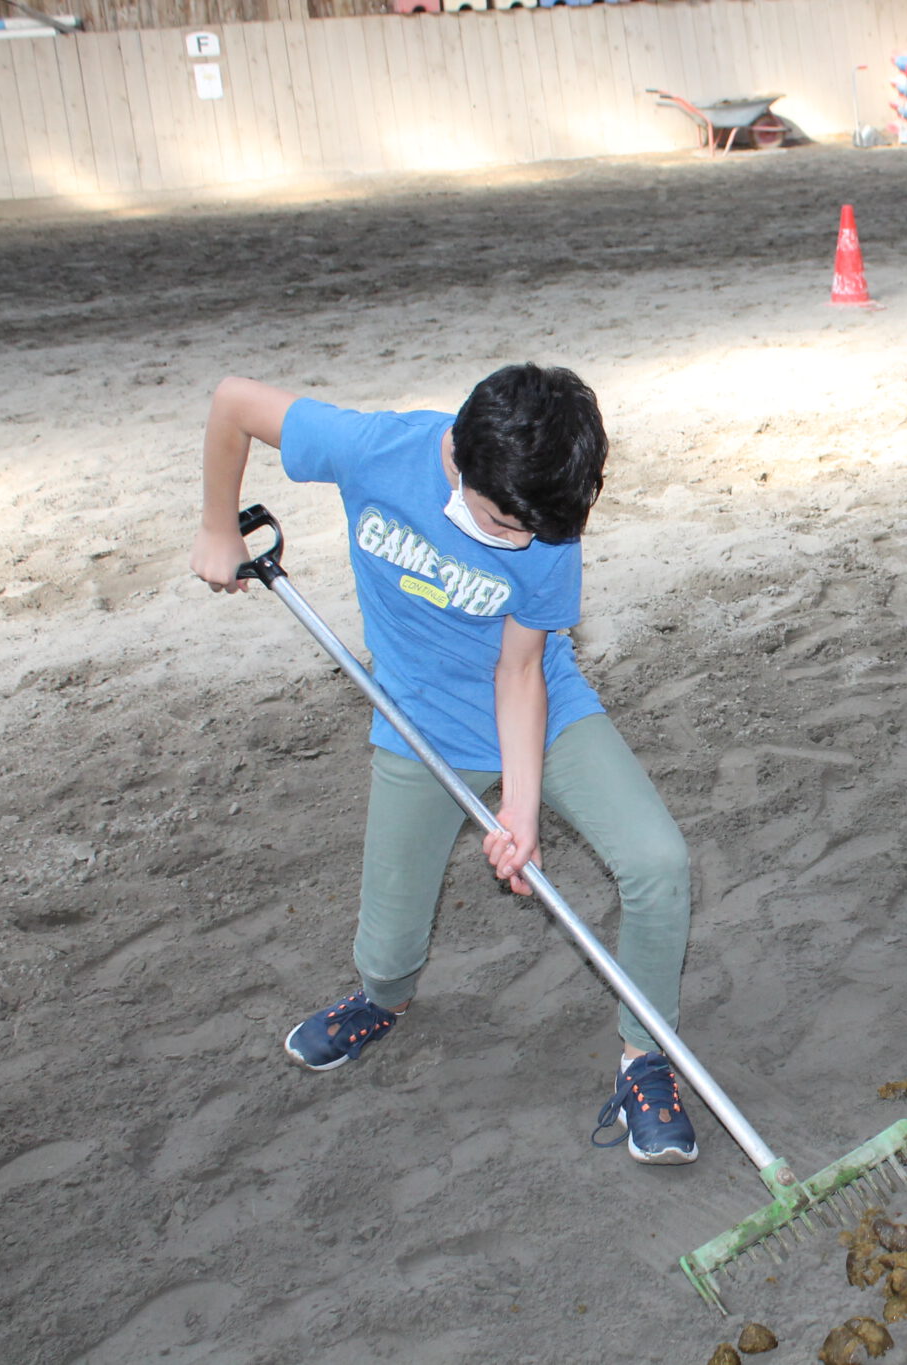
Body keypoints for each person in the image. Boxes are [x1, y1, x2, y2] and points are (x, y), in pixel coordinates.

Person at [188, 364, 699, 1165]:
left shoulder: (543, 524)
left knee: (659, 862)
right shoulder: (371, 448)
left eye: (537, 531)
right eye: (503, 524)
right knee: (386, 949)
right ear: (458, 457)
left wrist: (520, 810)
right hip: (416, 720)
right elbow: (233, 403)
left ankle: (646, 1057)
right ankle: (381, 1000)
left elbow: (521, 671)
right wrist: (220, 525)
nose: (521, 541)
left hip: (539, 709)